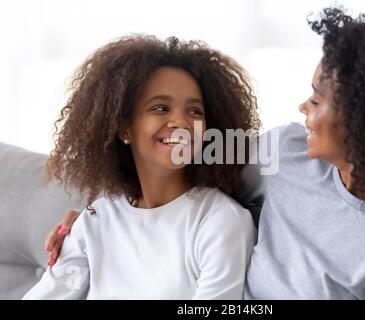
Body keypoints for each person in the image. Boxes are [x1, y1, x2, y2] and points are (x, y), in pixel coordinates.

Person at [45, 7, 365, 299]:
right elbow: (177, 160)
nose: (303, 109)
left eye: (317, 98)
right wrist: (101, 214)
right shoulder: (286, 152)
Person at [23, 35, 260, 299]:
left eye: (195, 112)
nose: (181, 122)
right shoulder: (96, 220)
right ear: (124, 128)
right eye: (160, 108)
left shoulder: (219, 221)